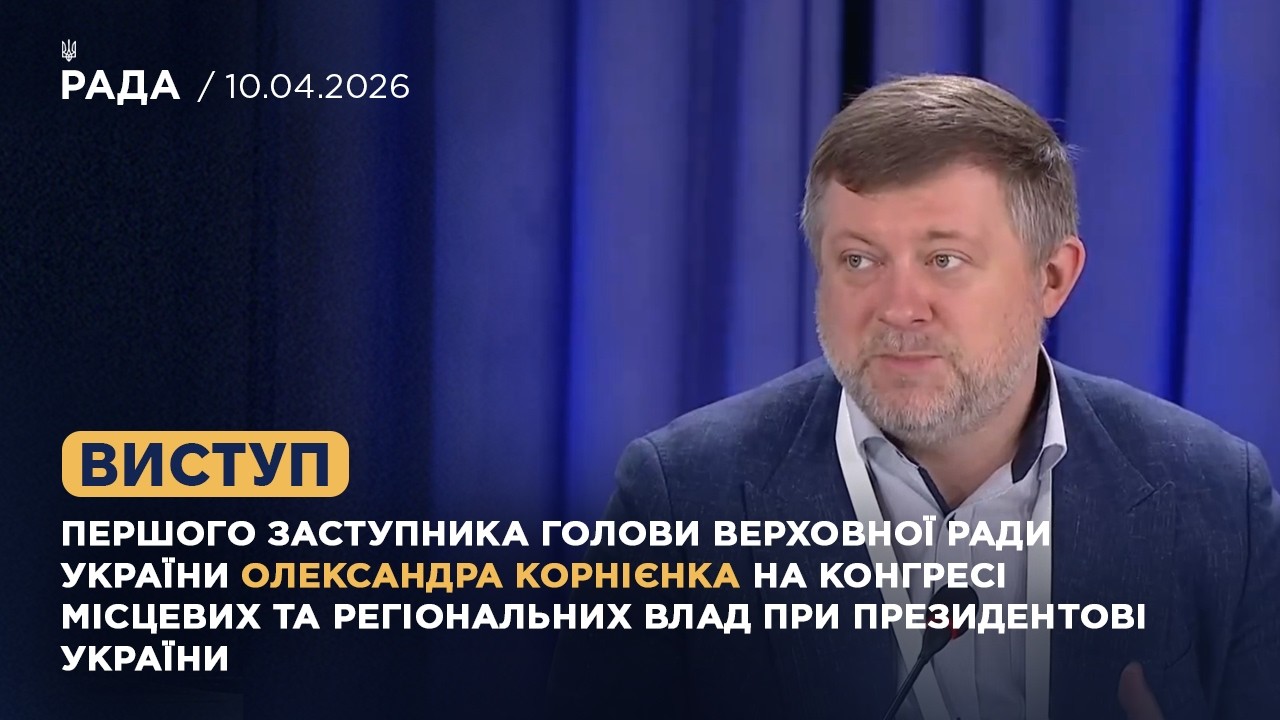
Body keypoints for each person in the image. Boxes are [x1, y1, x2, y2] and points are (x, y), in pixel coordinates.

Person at [547, 74, 1280, 720]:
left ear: (1051, 278)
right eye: (858, 259)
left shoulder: (1218, 498)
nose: (899, 307)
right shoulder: (682, 496)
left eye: (944, 259)